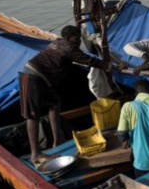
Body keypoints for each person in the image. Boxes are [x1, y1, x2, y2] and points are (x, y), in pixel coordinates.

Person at [20, 25, 110, 164]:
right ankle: (35, 154)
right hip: (32, 77)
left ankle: (58, 139)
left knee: (55, 103)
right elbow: (89, 60)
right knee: (32, 115)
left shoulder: (58, 42)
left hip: (42, 79)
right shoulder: (69, 47)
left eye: (80, 38)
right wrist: (109, 66)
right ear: (68, 38)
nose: (79, 41)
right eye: (77, 38)